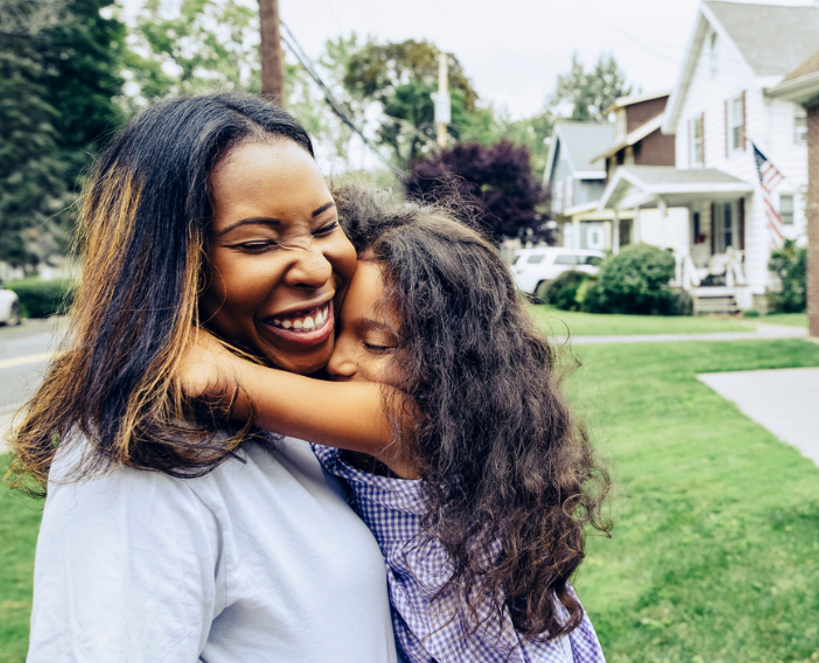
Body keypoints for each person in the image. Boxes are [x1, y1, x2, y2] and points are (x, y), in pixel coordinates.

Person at [10, 94, 401, 662]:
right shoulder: (139, 460)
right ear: (168, 266)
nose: (317, 267)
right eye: (258, 243)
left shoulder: (292, 400)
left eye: (324, 226)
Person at [186, 190, 611, 662]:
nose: (340, 360)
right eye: (337, 327)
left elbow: (210, 377)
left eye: (376, 344)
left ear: (451, 368)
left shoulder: (410, 423)